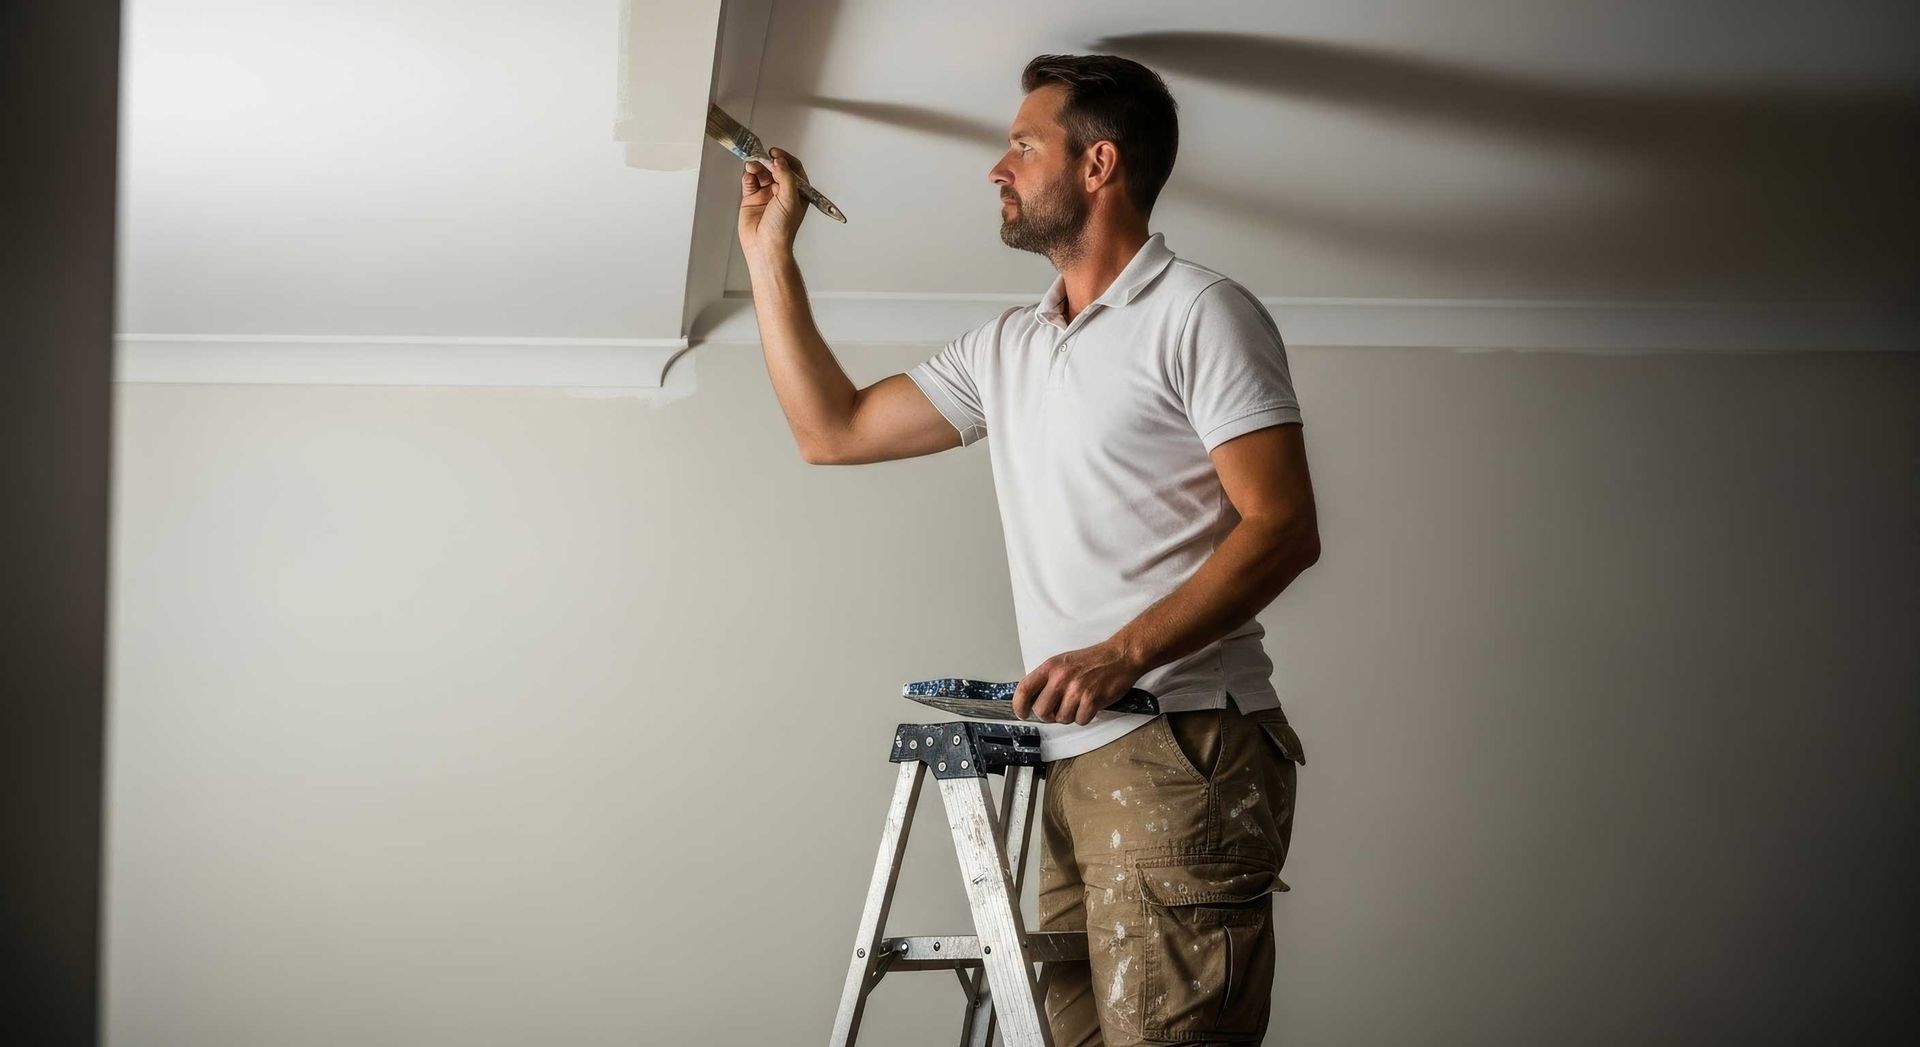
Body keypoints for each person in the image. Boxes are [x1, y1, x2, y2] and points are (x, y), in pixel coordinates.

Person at [738, 52, 1319, 1047]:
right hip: (1070, 756)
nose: (994, 170)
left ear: (1098, 166)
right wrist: (768, 255)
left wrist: (1124, 651)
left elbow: (1283, 526)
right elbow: (829, 431)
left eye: (1020, 146)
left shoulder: (1199, 312)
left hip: (1182, 742)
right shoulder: (1009, 345)